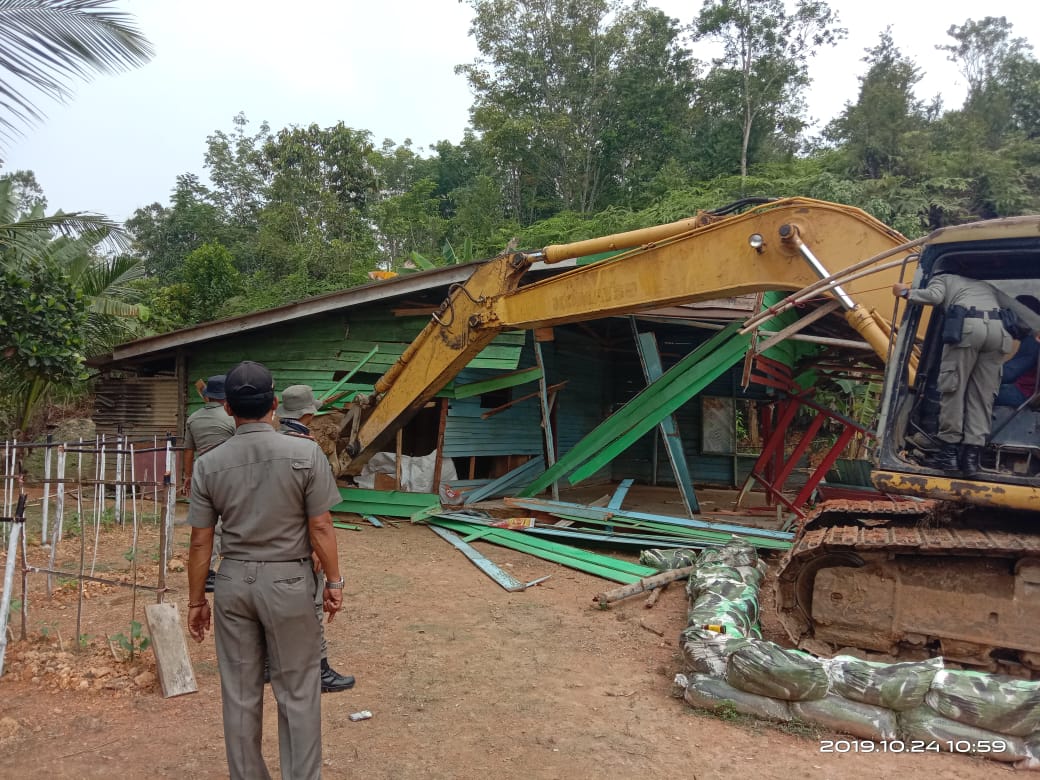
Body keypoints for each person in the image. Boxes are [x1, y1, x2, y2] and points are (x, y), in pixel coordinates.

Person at [186, 361, 344, 780]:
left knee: (239, 694)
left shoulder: (209, 463)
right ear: (275, 405)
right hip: (290, 582)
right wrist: (333, 582)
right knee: (298, 691)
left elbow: (201, 540)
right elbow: (321, 526)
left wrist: (197, 600)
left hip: (234, 582)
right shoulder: (305, 453)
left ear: (229, 410)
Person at [275, 383, 356, 694]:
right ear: (309, 413)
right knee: (310, 608)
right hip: (300, 546)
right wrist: (332, 576)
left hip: (267, 547)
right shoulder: (309, 451)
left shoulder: (265, 446)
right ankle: (320, 671)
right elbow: (320, 519)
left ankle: (271, 666)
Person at [893, 274, 1011, 476]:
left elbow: (934, 296)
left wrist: (905, 292)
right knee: (982, 396)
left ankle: (948, 456)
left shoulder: (943, 277)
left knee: (953, 389)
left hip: (969, 330)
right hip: (999, 333)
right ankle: (971, 459)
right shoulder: (986, 285)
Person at [181, 375, 235, 592]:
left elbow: (188, 450)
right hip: (227, 475)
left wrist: (187, 476)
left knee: (203, 526)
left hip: (201, 475)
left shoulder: (193, 418)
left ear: (207, 395)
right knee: (224, 524)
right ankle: (215, 572)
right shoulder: (231, 418)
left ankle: (205, 571)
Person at [996, 295, 1040, 408]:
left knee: (974, 393)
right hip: (1024, 388)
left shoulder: (1033, 340)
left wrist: (979, 373)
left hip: (1025, 394)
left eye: (1014, 317)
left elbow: (1010, 373)